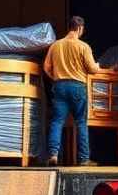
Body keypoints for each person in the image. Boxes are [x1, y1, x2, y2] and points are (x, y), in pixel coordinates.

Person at [43, 16, 101, 166]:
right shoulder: (83, 46)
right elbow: (92, 69)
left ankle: (53, 155)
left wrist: (56, 77)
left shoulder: (55, 46)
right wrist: (98, 65)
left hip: (59, 86)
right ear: (80, 28)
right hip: (77, 87)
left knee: (57, 121)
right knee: (81, 122)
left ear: (69, 27)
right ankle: (83, 159)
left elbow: (46, 67)